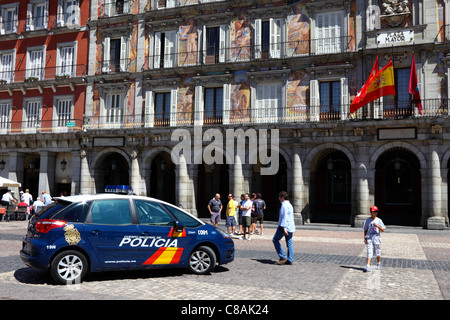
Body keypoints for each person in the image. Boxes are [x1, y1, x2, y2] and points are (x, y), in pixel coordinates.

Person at [273, 191, 295, 265]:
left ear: (282, 197)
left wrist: (284, 227)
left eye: (279, 197)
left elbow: (284, 216)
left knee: (275, 239)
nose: (279, 199)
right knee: (289, 243)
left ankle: (283, 256)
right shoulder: (290, 204)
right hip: (290, 226)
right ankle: (290, 259)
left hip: (284, 226)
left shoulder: (284, 205)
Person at [363, 205, 386, 272]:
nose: (375, 213)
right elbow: (365, 229)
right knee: (369, 250)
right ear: (371, 212)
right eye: (374, 211)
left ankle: (378, 263)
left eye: (376, 211)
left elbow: (383, 229)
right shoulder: (367, 220)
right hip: (369, 238)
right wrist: (365, 237)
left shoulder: (379, 220)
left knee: (377, 250)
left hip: (376, 237)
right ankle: (368, 265)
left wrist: (378, 226)